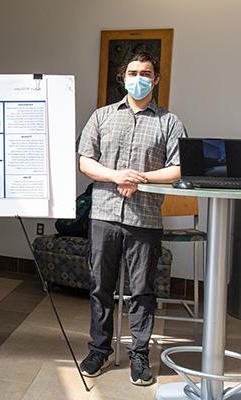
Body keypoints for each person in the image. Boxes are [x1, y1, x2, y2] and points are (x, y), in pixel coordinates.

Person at [77, 52, 187, 386]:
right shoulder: (101, 116)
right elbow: (85, 161)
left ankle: (139, 354)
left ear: (156, 79)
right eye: (132, 72)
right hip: (104, 215)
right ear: (122, 77)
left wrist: (139, 178)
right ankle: (99, 348)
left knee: (142, 291)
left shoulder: (169, 122)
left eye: (145, 73)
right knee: (100, 287)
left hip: (146, 218)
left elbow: (179, 168)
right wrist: (116, 176)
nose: (138, 78)